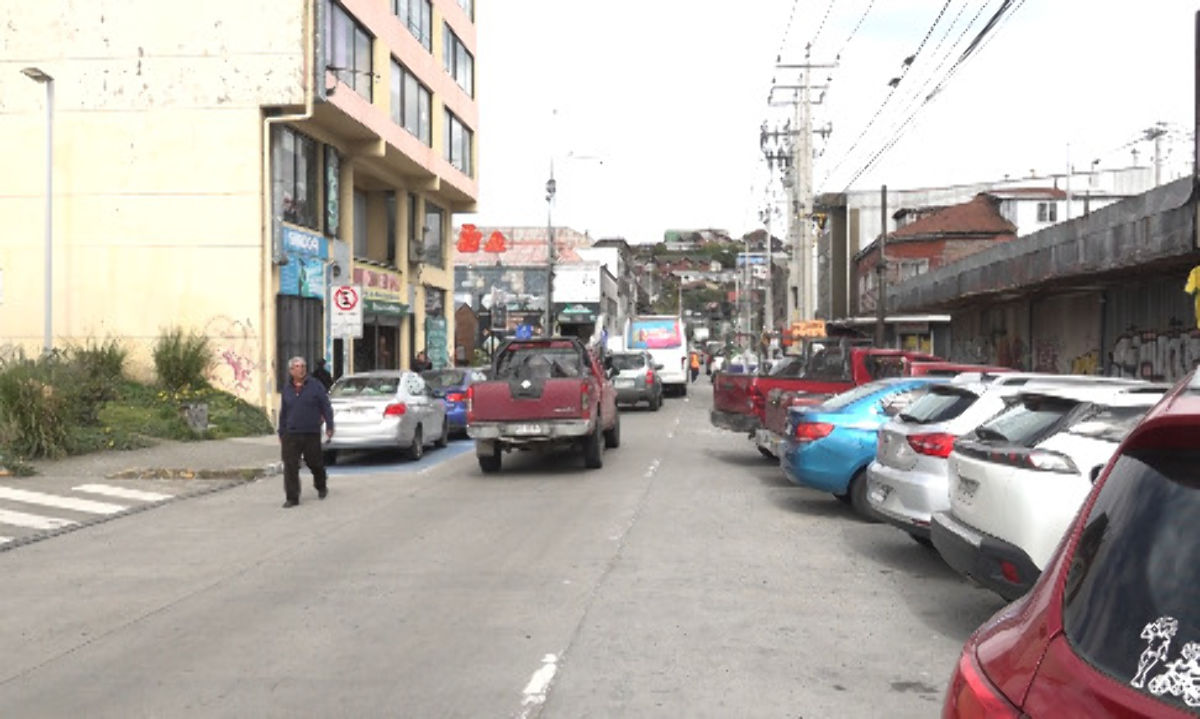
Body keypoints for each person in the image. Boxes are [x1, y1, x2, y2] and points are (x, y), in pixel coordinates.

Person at [277, 356, 334, 508]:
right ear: (291, 371)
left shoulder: (315, 386)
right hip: (291, 432)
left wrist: (329, 425)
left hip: (311, 431)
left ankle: (321, 485)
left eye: (303, 366)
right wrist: (281, 432)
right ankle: (292, 497)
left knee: (314, 462)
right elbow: (284, 412)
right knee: (290, 465)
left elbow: (326, 406)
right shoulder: (287, 390)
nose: (300, 369)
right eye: (297, 366)